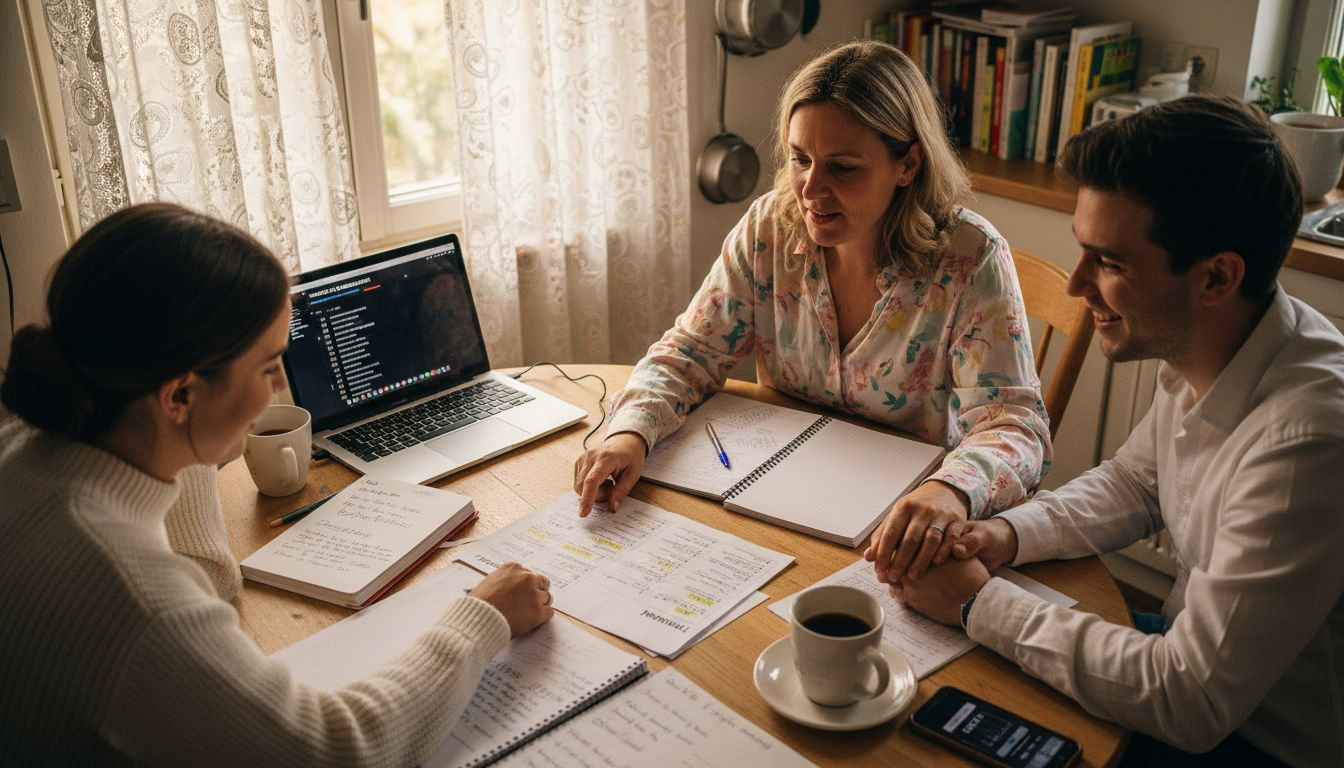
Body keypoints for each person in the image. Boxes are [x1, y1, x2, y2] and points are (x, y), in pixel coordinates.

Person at [0, 203, 554, 765]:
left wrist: (188, 445)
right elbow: (338, 752)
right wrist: (482, 618)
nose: (280, 388)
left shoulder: (28, 447)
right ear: (179, 395)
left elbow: (210, 581)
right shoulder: (137, 597)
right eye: (268, 367)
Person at [896, 94, 1344, 767]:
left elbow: (1190, 698)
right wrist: (1006, 535)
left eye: (1109, 262)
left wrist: (976, 603)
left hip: (1254, 740)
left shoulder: (1308, 444)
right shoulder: (1214, 340)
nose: (1077, 286)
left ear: (1217, 277)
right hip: (1180, 652)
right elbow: (1137, 483)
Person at [573, 41, 1050, 580]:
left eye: (843, 168)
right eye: (800, 159)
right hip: (772, 507)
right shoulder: (769, 228)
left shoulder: (970, 257)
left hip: (897, 526)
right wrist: (630, 432)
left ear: (907, 164)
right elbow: (690, 354)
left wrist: (951, 491)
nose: (810, 189)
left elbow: (1015, 426)